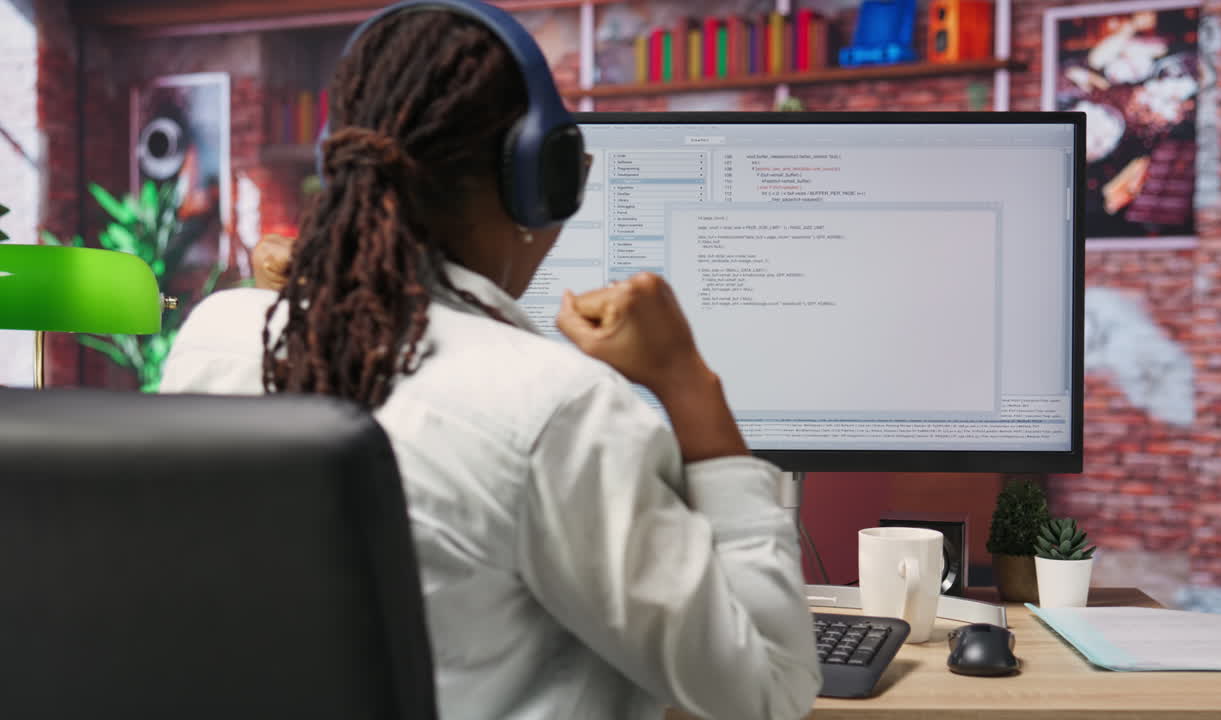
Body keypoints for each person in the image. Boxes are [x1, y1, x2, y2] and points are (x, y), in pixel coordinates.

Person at [160, 3, 819, 719]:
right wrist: (688, 383)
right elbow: (769, 691)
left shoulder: (219, 335)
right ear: (542, 177)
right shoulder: (559, 407)